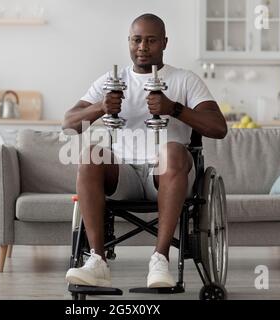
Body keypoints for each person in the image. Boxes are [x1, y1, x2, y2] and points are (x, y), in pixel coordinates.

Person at [62, 13, 227, 288]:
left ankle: (160, 259)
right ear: (129, 42)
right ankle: (97, 262)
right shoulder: (112, 80)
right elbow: (69, 124)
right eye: (137, 40)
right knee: (91, 153)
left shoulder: (185, 80)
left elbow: (218, 128)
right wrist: (100, 108)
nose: (143, 47)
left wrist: (174, 108)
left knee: (172, 150)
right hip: (123, 176)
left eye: (151, 40)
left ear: (164, 42)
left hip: (166, 176)